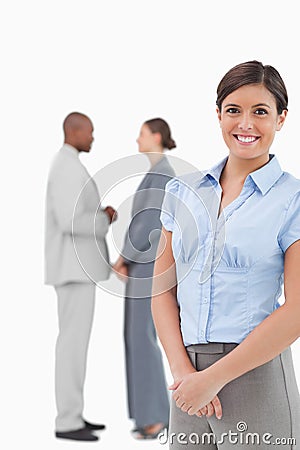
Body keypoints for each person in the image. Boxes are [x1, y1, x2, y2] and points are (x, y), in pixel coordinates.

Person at [152, 61, 300, 449]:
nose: (245, 124)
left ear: (282, 119)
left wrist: (213, 378)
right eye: (234, 110)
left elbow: (297, 309)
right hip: (186, 377)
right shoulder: (181, 192)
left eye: (261, 112)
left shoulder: (293, 199)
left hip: (256, 372)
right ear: (218, 114)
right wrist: (185, 373)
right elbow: (161, 290)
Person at [45, 112, 117, 442]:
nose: (92, 138)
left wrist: (99, 216)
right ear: (73, 131)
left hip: (77, 270)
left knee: (75, 346)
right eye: (89, 132)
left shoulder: (69, 165)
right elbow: (69, 220)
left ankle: (73, 413)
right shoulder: (66, 167)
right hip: (73, 270)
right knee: (71, 346)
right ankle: (67, 421)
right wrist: (103, 218)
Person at [113, 118, 176, 439]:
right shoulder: (157, 172)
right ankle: (148, 415)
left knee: (142, 337)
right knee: (138, 336)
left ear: (155, 136)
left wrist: (124, 257)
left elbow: (147, 224)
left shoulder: (162, 174)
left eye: (140, 133)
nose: (137, 139)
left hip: (148, 264)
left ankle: (155, 417)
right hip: (145, 264)